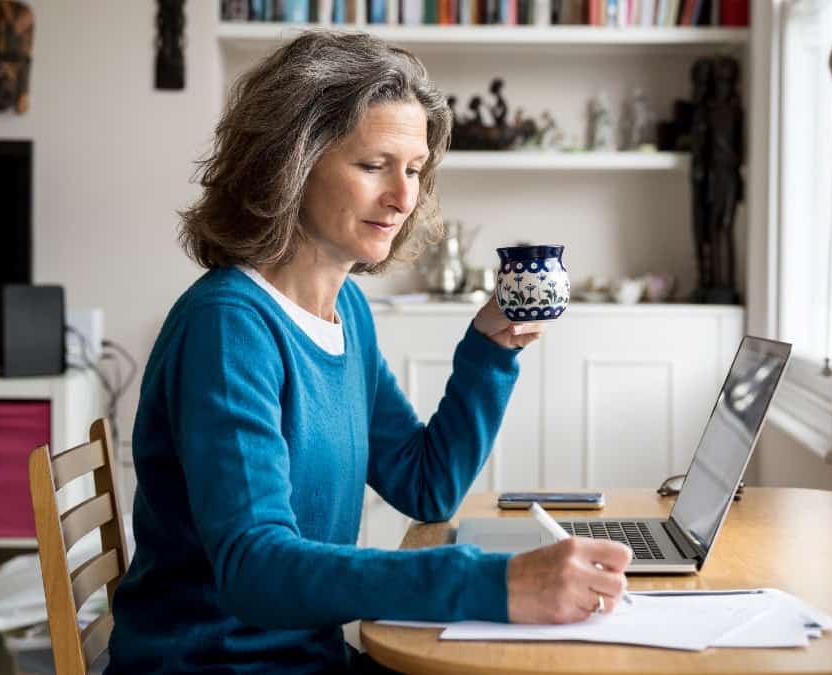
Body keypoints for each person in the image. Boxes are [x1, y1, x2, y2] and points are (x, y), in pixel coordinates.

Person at [105, 31, 632, 675]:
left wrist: (491, 347)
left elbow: (425, 483)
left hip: (307, 657)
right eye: (373, 164)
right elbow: (253, 568)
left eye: (413, 170)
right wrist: (493, 584)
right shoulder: (229, 327)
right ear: (290, 163)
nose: (403, 197)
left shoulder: (346, 309)